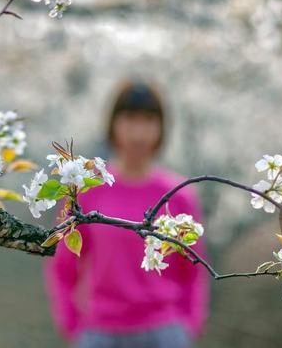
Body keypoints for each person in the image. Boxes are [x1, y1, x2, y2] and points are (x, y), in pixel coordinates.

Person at [44, 81, 209, 348]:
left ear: (161, 128)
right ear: (113, 125)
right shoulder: (86, 190)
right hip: (100, 331)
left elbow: (192, 270)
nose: (139, 132)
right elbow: (63, 267)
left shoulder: (179, 195)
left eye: (148, 121)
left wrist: (189, 325)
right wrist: (72, 326)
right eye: (130, 119)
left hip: (164, 331)